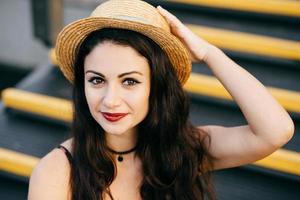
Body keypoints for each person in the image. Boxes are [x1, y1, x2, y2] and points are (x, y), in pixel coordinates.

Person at [28, 0, 294, 199]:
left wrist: (209, 53)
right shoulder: (57, 171)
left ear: (157, 86)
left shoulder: (180, 150)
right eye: (97, 80)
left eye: (129, 81)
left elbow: (276, 131)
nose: (110, 100)